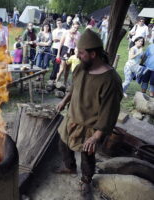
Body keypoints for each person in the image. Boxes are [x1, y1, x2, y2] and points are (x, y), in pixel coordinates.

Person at [56, 29, 123, 196]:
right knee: (63, 144)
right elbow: (74, 88)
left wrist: (96, 136)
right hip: (72, 119)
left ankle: (86, 180)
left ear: (93, 54)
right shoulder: (80, 68)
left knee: (87, 156)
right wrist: (64, 101)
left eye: (81, 52)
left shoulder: (110, 80)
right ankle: (69, 167)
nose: (77, 55)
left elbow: (110, 112)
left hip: (90, 127)